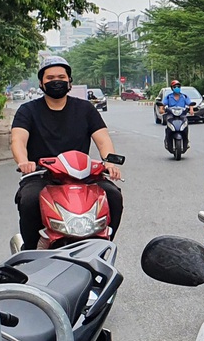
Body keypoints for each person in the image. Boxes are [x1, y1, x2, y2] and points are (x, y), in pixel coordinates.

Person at [10, 56, 124, 250]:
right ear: (41, 82)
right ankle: (28, 252)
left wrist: (109, 162)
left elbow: (103, 139)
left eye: (62, 77)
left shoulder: (85, 109)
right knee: (29, 200)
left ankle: (104, 246)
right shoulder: (27, 110)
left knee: (113, 195)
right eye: (50, 77)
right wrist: (24, 162)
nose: (56, 81)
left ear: (69, 81)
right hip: (41, 175)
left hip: (82, 175)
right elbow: (18, 140)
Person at [158, 79, 193, 149]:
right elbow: (162, 104)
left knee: (185, 125)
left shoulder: (184, 96)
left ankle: (186, 141)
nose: (177, 88)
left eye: (178, 86)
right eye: (175, 87)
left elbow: (190, 104)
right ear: (172, 88)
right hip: (171, 115)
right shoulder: (168, 97)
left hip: (182, 115)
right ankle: (168, 141)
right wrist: (161, 109)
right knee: (168, 126)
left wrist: (191, 110)